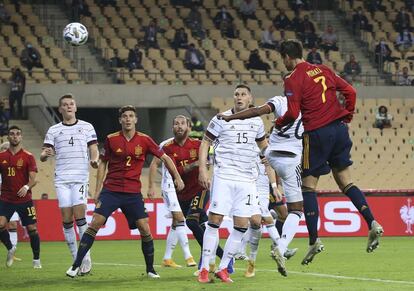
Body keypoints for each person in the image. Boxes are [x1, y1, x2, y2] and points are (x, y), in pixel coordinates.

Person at [274, 39, 383, 265]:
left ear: (287, 56)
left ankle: (314, 240)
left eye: (282, 59)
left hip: (316, 135)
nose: (282, 63)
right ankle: (372, 222)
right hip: (339, 130)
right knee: (346, 182)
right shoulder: (324, 69)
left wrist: (279, 123)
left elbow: (293, 113)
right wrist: (348, 115)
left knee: (308, 186)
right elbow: (350, 91)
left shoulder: (293, 78)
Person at [66, 105, 184, 278]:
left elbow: (165, 158)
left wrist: (177, 177)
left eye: (131, 116)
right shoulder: (111, 139)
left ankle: (150, 269)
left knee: (145, 228)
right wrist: (98, 189)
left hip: (132, 193)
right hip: (111, 190)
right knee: (95, 223)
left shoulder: (145, 140)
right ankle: (76, 265)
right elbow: (103, 163)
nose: (128, 119)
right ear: (120, 120)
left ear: (136, 119)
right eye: (125, 116)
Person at [217, 94, 305, 276]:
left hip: (264, 188)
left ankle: (251, 260)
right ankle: (276, 249)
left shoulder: (266, 147)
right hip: (248, 184)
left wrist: (274, 186)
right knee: (260, 220)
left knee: (260, 221)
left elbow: (269, 165)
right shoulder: (248, 144)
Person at [197, 85, 268, 283]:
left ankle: (223, 268)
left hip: (247, 180)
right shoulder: (220, 119)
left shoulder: (256, 121)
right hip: (224, 176)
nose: (239, 97)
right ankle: (204, 269)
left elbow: (264, 147)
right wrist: (203, 169)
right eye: (236, 94)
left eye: (243, 94)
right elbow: (205, 143)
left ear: (250, 98)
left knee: (242, 225)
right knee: (215, 220)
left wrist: (269, 157)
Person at [40, 94, 99, 275]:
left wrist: (95, 160)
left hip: (80, 177)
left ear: (76, 107)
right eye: (65, 105)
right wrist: (45, 154)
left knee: (80, 216)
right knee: (66, 218)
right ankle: (75, 258)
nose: (68, 107)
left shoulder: (87, 127)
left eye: (71, 104)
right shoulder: (54, 130)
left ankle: (85, 258)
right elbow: (44, 154)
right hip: (62, 179)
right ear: (60, 109)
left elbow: (93, 149)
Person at [147, 119, 196, 269]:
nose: (179, 126)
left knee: (176, 223)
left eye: (182, 123)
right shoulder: (165, 145)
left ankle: (167, 258)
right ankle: (189, 256)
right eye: (176, 123)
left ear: (189, 127)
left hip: (182, 187)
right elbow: (154, 163)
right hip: (169, 186)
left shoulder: (194, 144)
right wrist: (151, 186)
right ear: (172, 127)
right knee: (180, 219)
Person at [0, 126, 41, 268]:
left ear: (21, 137)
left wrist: (26, 187)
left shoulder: (28, 156)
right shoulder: (1, 157)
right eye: (12, 134)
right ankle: (11, 248)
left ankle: (36, 260)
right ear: (8, 137)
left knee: (32, 229)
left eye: (18, 134)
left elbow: (33, 179)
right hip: (6, 199)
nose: (15, 136)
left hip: (25, 200)